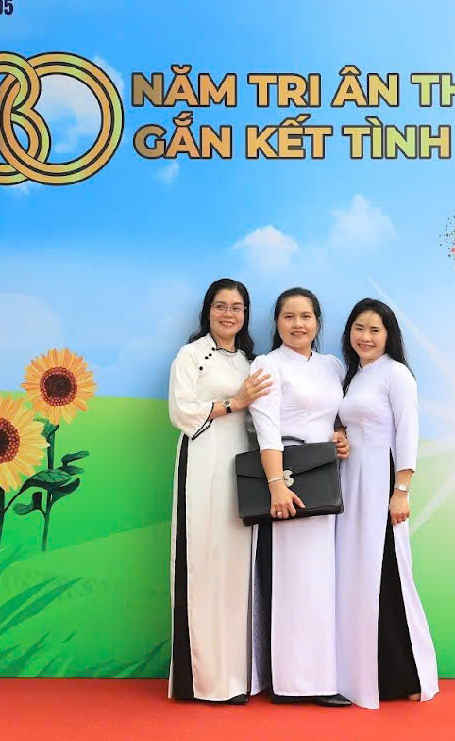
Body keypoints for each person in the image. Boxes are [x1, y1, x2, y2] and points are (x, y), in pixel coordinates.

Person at [167, 279, 273, 704]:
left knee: (236, 567)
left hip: (241, 468)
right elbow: (181, 411)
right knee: (204, 561)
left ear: (246, 314)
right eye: (220, 306)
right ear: (207, 310)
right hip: (203, 464)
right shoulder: (191, 355)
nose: (228, 314)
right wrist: (234, 403)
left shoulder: (250, 361)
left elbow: (262, 417)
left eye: (237, 307)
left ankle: (237, 676)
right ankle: (206, 680)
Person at [246, 287, 352, 707]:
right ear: (276, 322)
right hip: (290, 480)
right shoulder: (267, 365)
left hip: (325, 476)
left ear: (317, 321)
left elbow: (335, 418)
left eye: (305, 316)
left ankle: (320, 676)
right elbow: (266, 427)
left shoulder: (331, 366)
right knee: (293, 580)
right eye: (288, 316)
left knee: (322, 580)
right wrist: (276, 484)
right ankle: (292, 683)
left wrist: (340, 437)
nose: (297, 324)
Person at [334, 297, 439, 709]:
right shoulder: (354, 376)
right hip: (352, 486)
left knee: (387, 574)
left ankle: (405, 677)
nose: (366, 336)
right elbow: (349, 426)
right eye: (359, 328)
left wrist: (401, 491)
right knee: (359, 577)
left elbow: (407, 431)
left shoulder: (396, 374)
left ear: (389, 335)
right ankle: (366, 673)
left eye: (375, 330)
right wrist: (339, 437)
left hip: (382, 485)